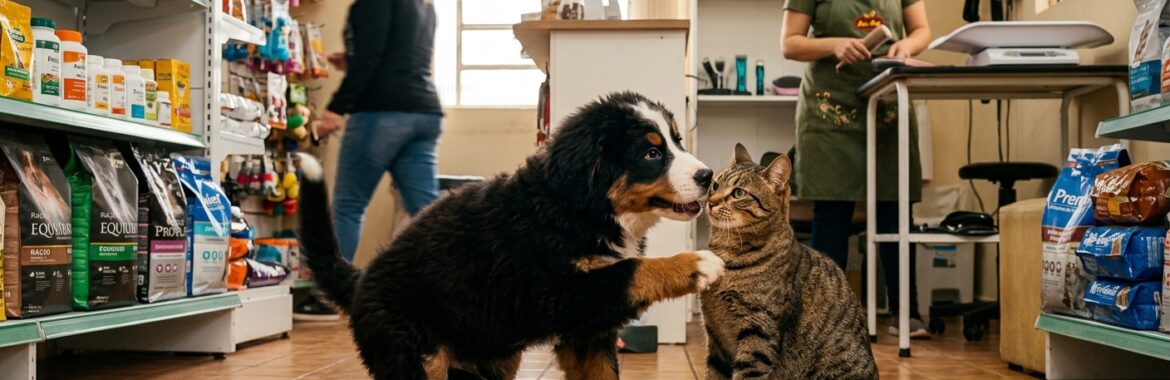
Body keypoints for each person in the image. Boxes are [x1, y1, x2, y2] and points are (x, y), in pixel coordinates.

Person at [781, 0, 932, 338]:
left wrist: (906, 45)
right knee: (833, 211)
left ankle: (906, 312)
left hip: (889, 103)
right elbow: (790, 42)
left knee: (896, 207)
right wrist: (835, 45)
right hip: (829, 109)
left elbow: (922, 30)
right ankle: (822, 316)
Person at [295, 0, 444, 321]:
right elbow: (402, 56)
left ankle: (327, 296)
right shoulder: (424, 6)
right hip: (424, 112)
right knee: (428, 212)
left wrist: (336, 107)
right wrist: (352, 60)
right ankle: (446, 292)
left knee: (349, 204)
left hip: (381, 114)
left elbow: (372, 59)